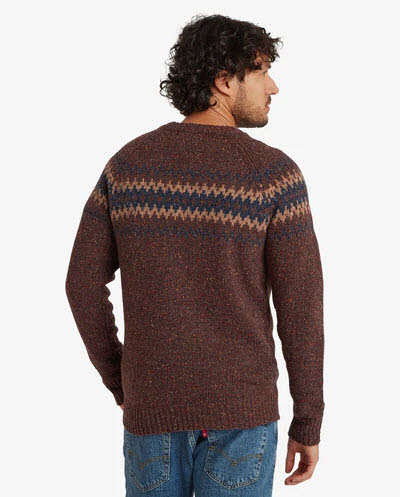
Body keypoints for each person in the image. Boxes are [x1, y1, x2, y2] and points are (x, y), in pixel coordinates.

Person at [65, 13, 324, 497]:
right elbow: (301, 307)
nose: (273, 86)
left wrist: (124, 383)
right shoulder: (273, 175)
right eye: (261, 71)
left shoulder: (127, 166)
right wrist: (308, 420)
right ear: (224, 81)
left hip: (151, 412)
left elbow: (80, 283)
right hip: (242, 415)